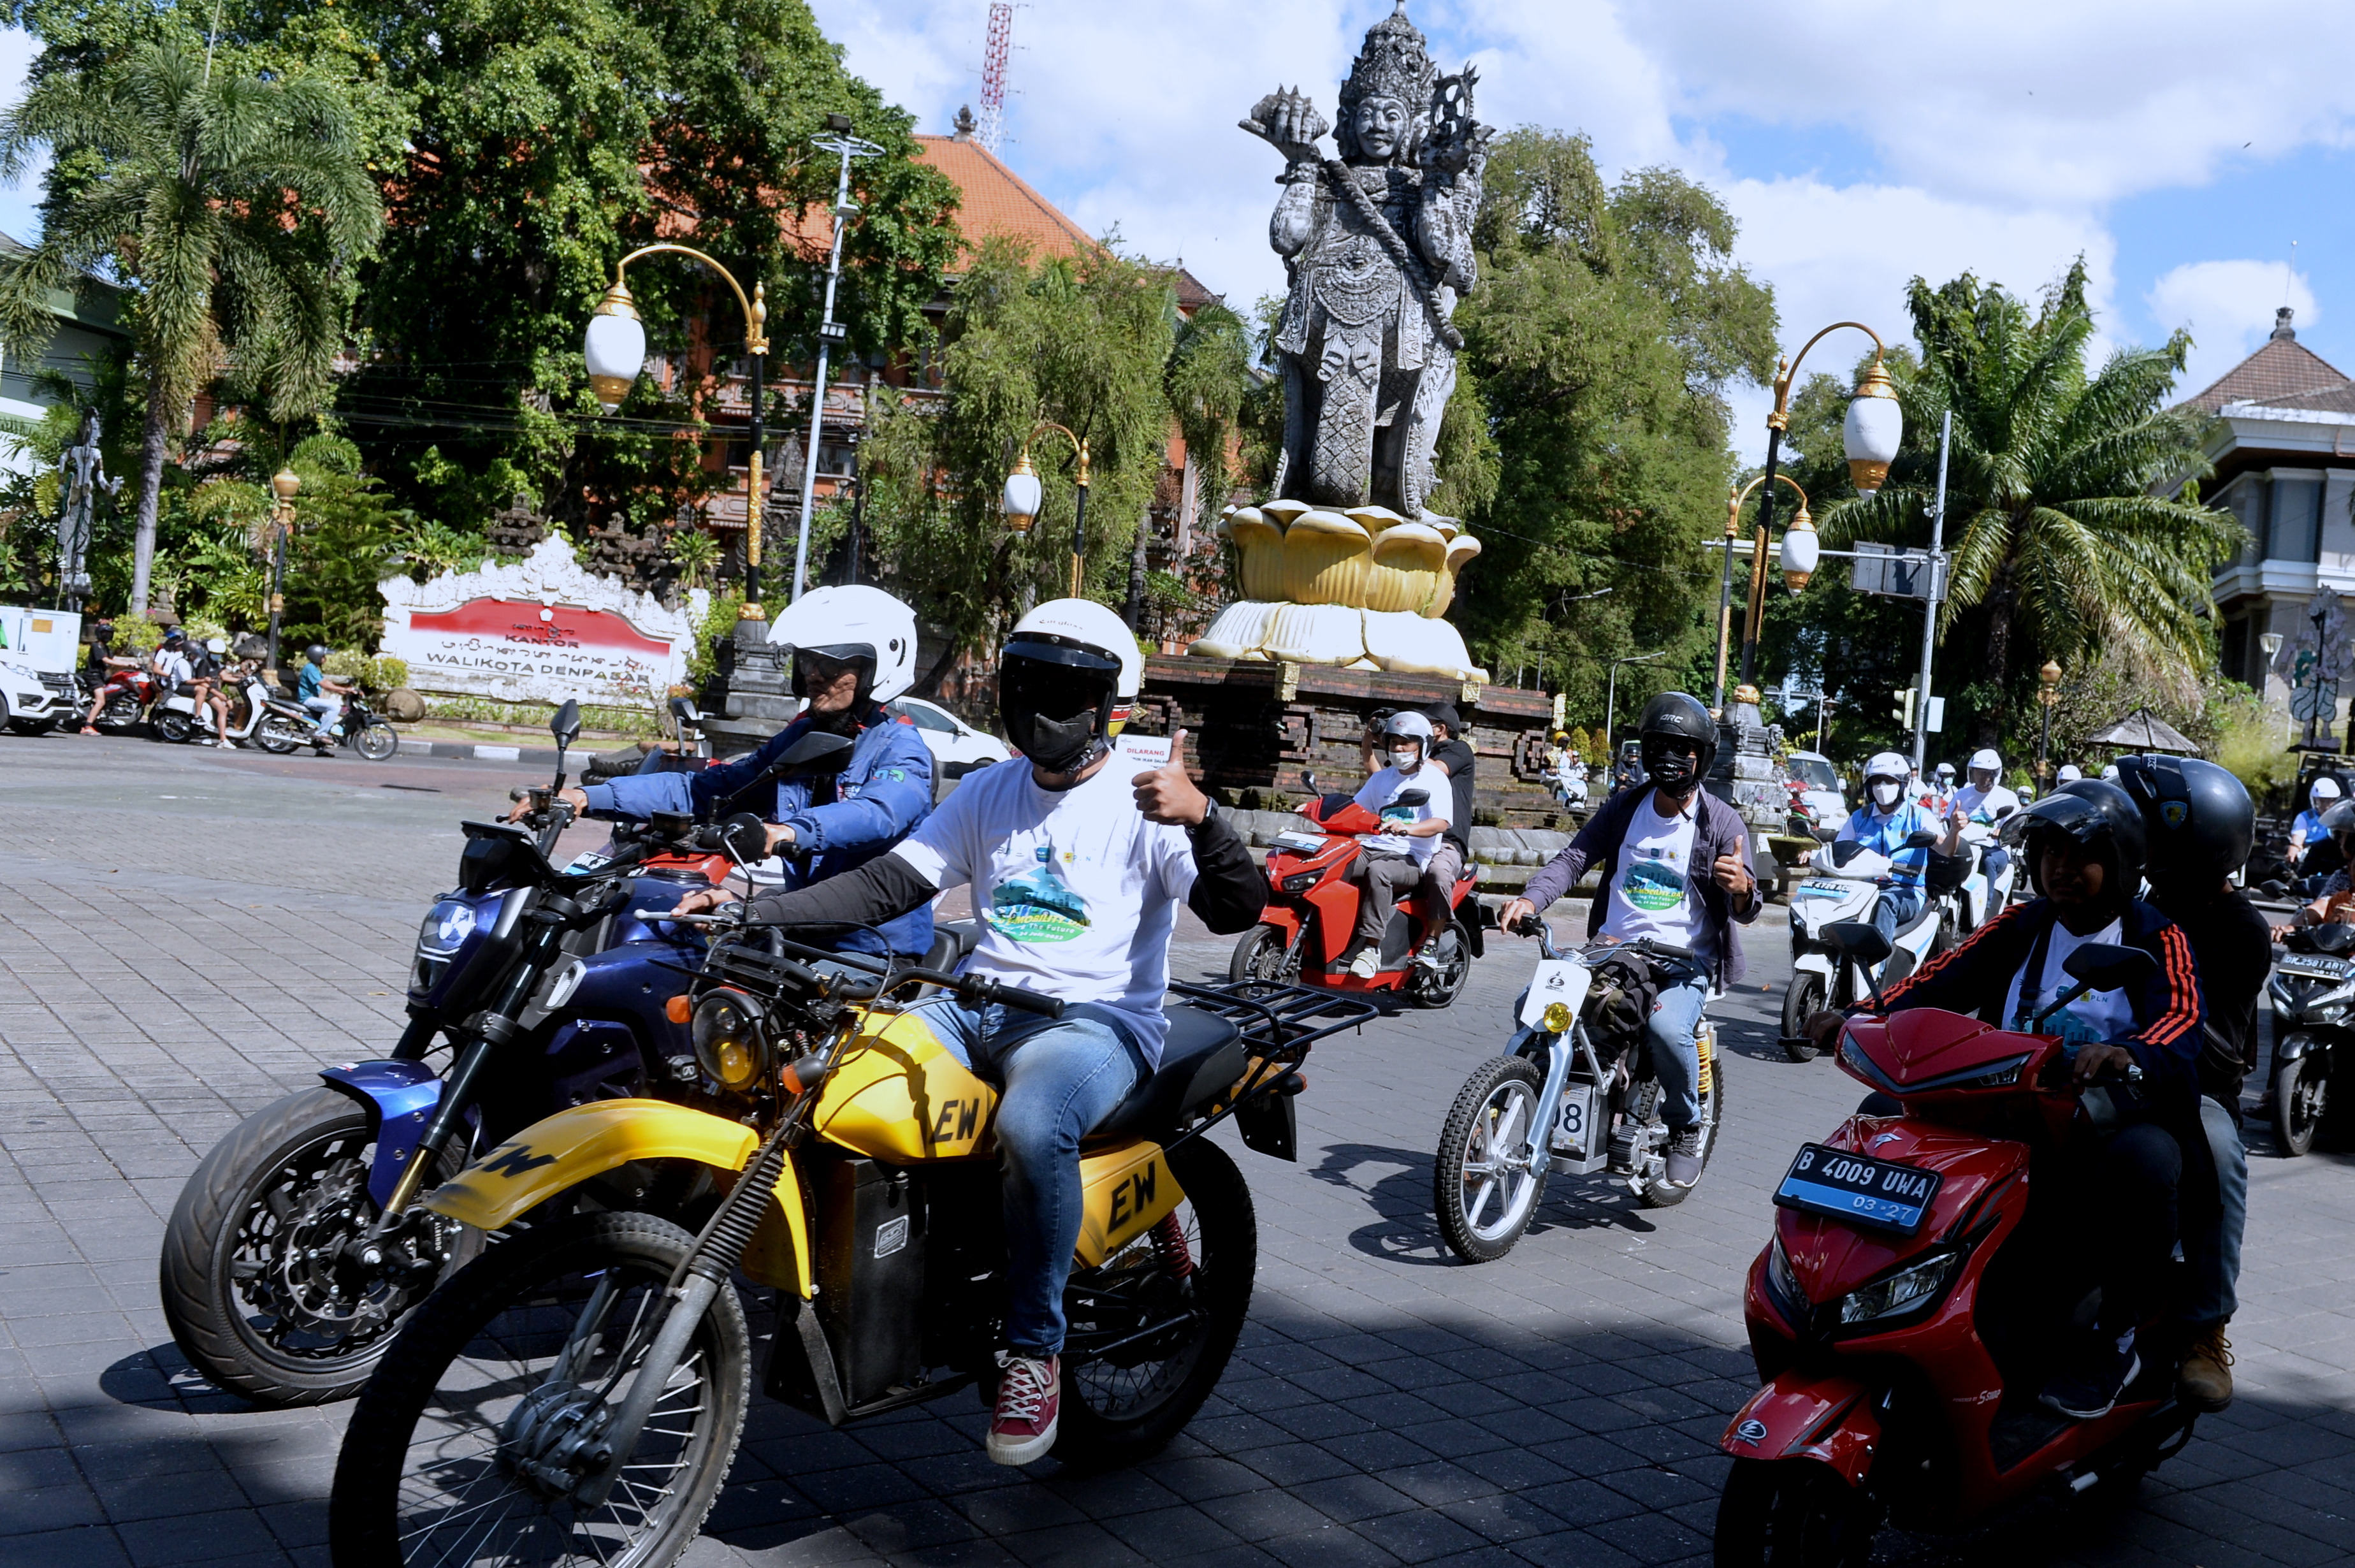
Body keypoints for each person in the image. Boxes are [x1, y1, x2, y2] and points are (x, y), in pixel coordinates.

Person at [665, 597, 1265, 1465]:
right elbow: (885, 886)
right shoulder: (989, 789)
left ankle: (1033, 1352)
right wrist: (754, 909)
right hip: (968, 1002)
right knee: (830, 1080)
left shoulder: (1146, 800)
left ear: (1109, 706)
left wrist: (1204, 817)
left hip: (1092, 1022)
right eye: (1028, 683)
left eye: (1066, 691)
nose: (1041, 707)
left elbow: (1236, 905)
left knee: (1030, 1124)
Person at [1804, 780, 2203, 1421]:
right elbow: (1940, 979)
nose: (2060, 869)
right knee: (1880, 1119)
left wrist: (2129, 1052)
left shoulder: (2158, 937)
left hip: (2097, 1124)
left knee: (2148, 1160)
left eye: (2079, 856)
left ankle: (2116, 1336)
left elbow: (2179, 1018)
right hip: (2004, 1107)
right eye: (2048, 854)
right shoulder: (2023, 923)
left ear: (2123, 863)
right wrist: (1858, 1014)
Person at [541, 586, 937, 965]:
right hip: (796, 929)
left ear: (876, 668)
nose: (814, 674)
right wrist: (588, 798)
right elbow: (709, 789)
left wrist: (788, 832)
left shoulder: (900, 747)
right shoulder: (801, 737)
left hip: (869, 948)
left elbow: (879, 812)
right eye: (808, 662)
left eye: (830, 664)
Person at [1500, 692, 1762, 1189]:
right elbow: (1573, 859)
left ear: (1702, 757)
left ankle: (1685, 1127)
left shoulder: (1721, 822)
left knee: (1665, 1029)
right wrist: (1530, 900)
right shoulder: (1624, 807)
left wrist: (1742, 889)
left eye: (1682, 749)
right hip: (1611, 949)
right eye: (1659, 745)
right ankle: (1515, 1107)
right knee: (1532, 1006)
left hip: (1684, 962)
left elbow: (1746, 909)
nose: (1669, 758)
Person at [2116, 754, 2266, 1412]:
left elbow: (2212, 1044)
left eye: (2151, 832)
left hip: (2195, 1085)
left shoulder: (2239, 928)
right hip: (2117, 1068)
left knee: (2222, 1156)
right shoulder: (2142, 903)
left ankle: (2205, 1327)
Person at [1330, 709, 1450, 979]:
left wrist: (1407, 828)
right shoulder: (1381, 778)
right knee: (1335, 862)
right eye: (1394, 742)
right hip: (1372, 847)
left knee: (1379, 872)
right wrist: (1319, 809)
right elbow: (1355, 810)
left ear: (1423, 745)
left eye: (1406, 742)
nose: (1398, 748)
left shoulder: (1434, 779)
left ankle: (1371, 948)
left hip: (1412, 857)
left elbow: (1441, 823)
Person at [1836, 751, 1939, 947]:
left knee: (1884, 903)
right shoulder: (1861, 817)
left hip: (1906, 891)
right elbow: (1839, 849)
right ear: (1869, 786)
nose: (1882, 787)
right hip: (1864, 888)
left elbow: (1944, 846)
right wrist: (1813, 853)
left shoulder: (1918, 815)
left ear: (1902, 785)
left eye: (1888, 781)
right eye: (1877, 781)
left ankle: (1876, 969)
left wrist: (1955, 833)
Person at [1414, 704, 1476, 969]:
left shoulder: (1458, 751)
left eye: (1424, 723)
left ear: (1440, 729)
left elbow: (1437, 770)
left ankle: (1431, 942)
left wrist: (1407, 749)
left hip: (1447, 840)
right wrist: (1372, 743)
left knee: (1439, 873)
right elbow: (1379, 778)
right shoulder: (1416, 754)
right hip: (1412, 837)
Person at [1943, 747, 2022, 910]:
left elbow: (2016, 827)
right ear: (1971, 772)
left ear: (1996, 774)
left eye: (1988, 773)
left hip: (1995, 848)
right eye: (1979, 772)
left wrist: (2002, 832)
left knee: (1988, 862)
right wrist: (1952, 822)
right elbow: (1947, 820)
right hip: (1965, 845)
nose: (1983, 777)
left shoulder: (2007, 797)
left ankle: (1985, 908)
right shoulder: (1962, 795)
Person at [77, 620, 140, 734]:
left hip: (101, 676)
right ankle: (87, 726)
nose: (107, 636)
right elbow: (105, 660)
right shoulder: (96, 646)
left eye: (109, 634)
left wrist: (131, 664)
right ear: (99, 634)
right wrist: (126, 664)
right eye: (105, 633)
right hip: (93, 676)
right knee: (101, 701)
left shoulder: (106, 648)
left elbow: (113, 660)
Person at [296, 645, 354, 739]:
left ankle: (321, 749)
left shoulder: (314, 668)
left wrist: (341, 691)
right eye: (323, 657)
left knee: (324, 721)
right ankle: (321, 734)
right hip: (308, 699)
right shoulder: (310, 668)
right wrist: (344, 689)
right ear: (317, 657)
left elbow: (326, 682)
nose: (325, 659)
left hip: (313, 698)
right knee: (335, 707)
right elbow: (324, 684)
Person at [2287, 775, 2343, 868]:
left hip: (2333, 860)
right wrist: (2295, 847)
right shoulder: (2305, 817)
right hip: (2311, 859)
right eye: (2322, 801)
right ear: (2314, 800)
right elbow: (2298, 839)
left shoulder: (2340, 817)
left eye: (2331, 801)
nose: (2327, 805)